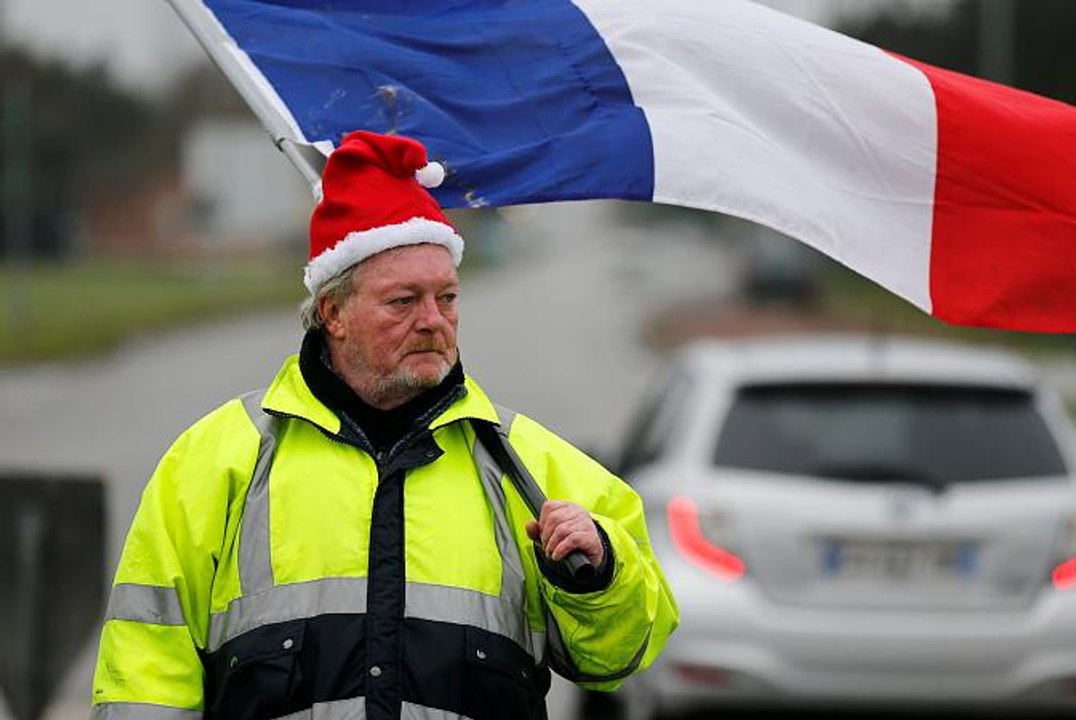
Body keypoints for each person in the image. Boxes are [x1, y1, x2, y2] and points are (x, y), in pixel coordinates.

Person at [91, 130, 678, 720]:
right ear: (333, 312)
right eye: (404, 301)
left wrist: (598, 576)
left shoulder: (531, 467)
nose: (432, 322)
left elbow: (620, 658)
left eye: (445, 299)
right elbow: (144, 677)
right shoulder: (215, 462)